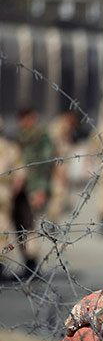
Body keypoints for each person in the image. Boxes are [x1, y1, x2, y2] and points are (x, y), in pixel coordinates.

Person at [0, 116, 37, 280]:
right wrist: (14, 193)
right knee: (4, 232)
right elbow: (20, 175)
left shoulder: (11, 148)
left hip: (5, 193)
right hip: (6, 193)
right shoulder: (11, 147)